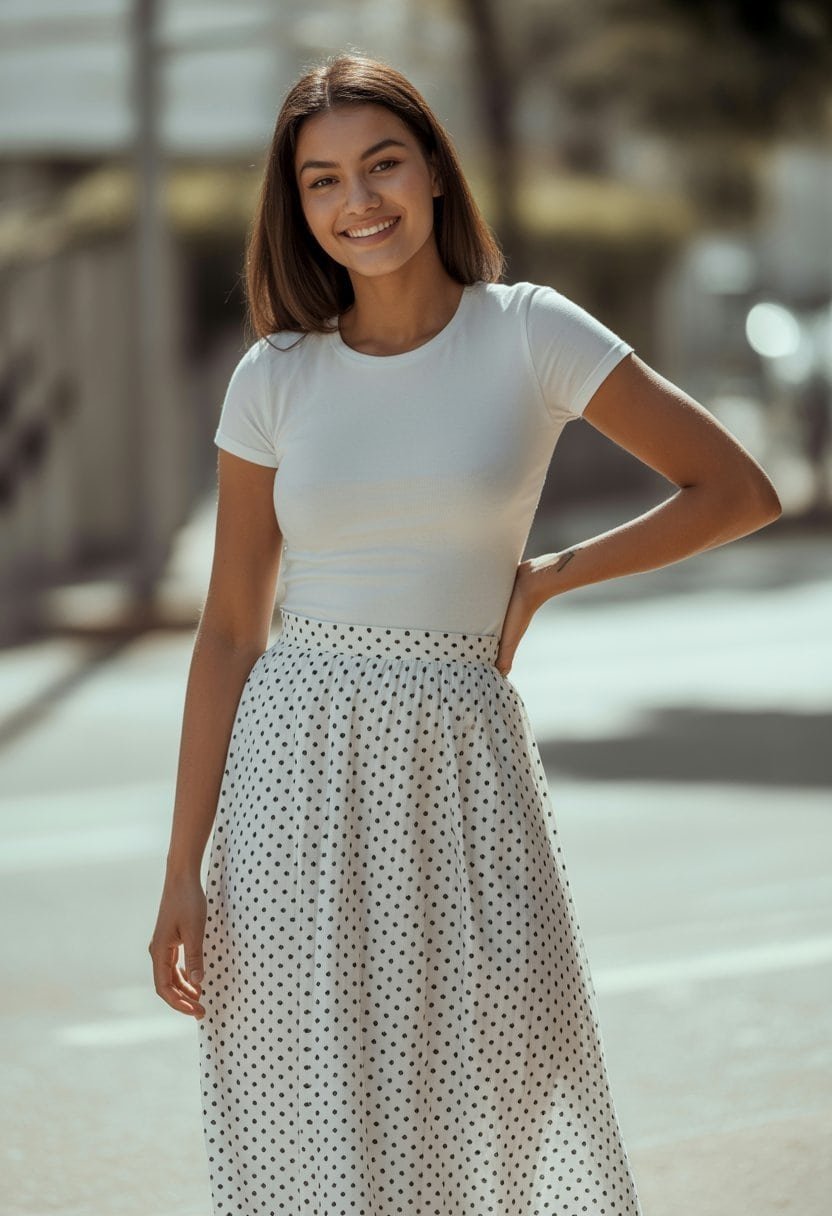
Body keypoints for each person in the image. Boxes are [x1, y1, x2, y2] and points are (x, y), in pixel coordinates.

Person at [149, 51, 781, 1216]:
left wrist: (541, 580)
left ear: (435, 171)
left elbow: (733, 489)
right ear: (298, 207)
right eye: (323, 181)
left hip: (461, 759)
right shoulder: (275, 375)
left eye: (382, 164)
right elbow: (231, 630)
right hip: (292, 768)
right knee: (309, 1106)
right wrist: (182, 868)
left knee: (485, 1091)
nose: (359, 202)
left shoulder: (530, 331)